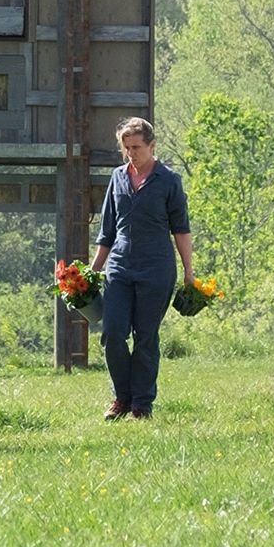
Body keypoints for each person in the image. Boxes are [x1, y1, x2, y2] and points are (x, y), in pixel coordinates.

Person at [90, 116, 194, 420]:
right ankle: (121, 397)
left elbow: (181, 229)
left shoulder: (169, 181)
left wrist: (189, 271)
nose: (131, 153)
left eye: (136, 147)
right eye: (126, 147)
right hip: (120, 268)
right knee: (113, 331)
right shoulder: (118, 178)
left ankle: (142, 404)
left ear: (152, 145)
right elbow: (107, 230)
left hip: (156, 268)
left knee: (146, 336)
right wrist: (93, 270)